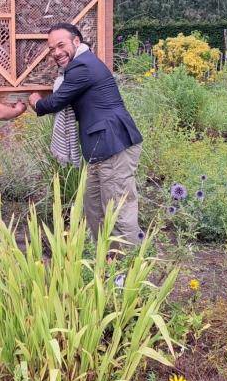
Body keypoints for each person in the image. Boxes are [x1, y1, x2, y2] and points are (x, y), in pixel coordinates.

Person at [28, 23, 143, 248]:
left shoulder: (82, 66)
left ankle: (131, 266)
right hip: (99, 146)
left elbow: (56, 101)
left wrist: (36, 102)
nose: (56, 52)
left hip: (113, 144)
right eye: (51, 48)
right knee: (95, 209)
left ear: (77, 42)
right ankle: (107, 261)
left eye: (61, 45)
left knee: (118, 209)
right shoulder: (80, 65)